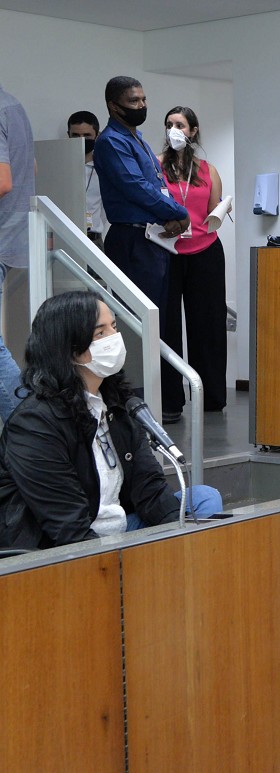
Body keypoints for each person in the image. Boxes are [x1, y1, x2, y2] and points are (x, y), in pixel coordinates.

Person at [0, 290, 221, 550]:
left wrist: (180, 540)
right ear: (69, 349)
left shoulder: (119, 402)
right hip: (63, 547)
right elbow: (67, 527)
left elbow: (150, 489)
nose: (114, 338)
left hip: (119, 529)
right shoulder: (34, 424)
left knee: (203, 499)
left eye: (114, 327)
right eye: (100, 333)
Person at [92, 76, 189, 311]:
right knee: (140, 318)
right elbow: (137, 187)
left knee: (158, 318)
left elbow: (158, 185)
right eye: (134, 101)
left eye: (144, 99)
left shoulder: (138, 140)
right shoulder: (111, 141)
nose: (142, 106)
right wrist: (180, 212)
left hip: (154, 238)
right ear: (114, 106)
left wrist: (172, 216)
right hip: (132, 240)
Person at [158, 106, 227, 423]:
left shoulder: (208, 170)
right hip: (167, 251)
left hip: (205, 250)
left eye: (180, 125)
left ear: (193, 131)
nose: (174, 130)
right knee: (167, 325)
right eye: (169, 124)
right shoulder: (156, 165)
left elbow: (214, 210)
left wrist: (220, 213)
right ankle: (170, 400)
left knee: (208, 325)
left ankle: (211, 397)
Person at [0, 83, 35, 422]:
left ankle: (26, 427)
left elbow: (3, 181)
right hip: (12, 237)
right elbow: (31, 169)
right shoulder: (13, 105)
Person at [68, 110, 108, 244]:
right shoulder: (61, 168)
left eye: (87, 135)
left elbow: (105, 210)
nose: (81, 139)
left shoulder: (105, 169)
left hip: (93, 239)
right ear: (68, 135)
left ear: (97, 135)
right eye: (75, 135)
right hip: (64, 237)